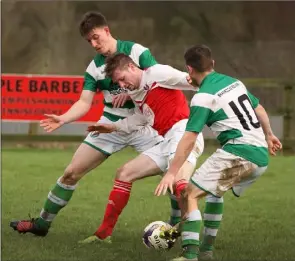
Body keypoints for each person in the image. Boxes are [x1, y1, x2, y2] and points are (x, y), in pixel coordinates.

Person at [9, 11, 164, 238]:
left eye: (96, 37)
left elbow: (158, 81)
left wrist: (132, 95)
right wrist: (63, 118)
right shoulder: (94, 67)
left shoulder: (136, 51)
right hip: (109, 126)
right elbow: (84, 102)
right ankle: (42, 224)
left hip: (144, 126)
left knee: (174, 173)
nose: (93, 43)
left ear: (107, 30)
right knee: (70, 173)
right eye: (89, 41)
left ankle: (175, 227)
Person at [155, 44, 282, 261]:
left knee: (189, 194)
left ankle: (190, 255)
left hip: (238, 152)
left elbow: (189, 138)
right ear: (212, 64)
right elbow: (258, 108)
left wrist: (172, 172)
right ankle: (206, 251)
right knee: (215, 192)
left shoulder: (202, 96)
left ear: (189, 70)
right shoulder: (235, 82)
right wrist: (269, 135)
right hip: (260, 155)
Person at [80, 53, 204, 244]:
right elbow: (141, 119)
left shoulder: (157, 73)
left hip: (184, 133)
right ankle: (103, 234)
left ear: (131, 67)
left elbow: (194, 82)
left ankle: (191, 250)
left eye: (122, 79)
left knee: (180, 186)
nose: (122, 85)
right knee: (124, 173)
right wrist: (113, 127)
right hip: (167, 140)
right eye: (117, 83)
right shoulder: (137, 92)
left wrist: (217, 105)